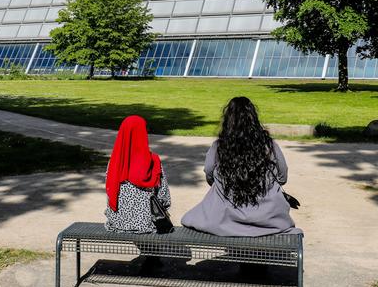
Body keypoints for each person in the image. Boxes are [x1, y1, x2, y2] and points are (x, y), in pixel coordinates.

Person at [181, 97, 300, 236]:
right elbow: (282, 176)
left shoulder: (219, 146)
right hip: (268, 218)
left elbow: (209, 173)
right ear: (254, 119)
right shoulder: (269, 145)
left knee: (193, 216)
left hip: (223, 218)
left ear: (228, 120)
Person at [105, 115, 170, 233]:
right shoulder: (153, 161)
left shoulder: (114, 162)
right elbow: (164, 198)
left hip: (118, 224)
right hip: (149, 225)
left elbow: (110, 191)